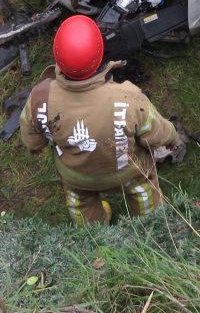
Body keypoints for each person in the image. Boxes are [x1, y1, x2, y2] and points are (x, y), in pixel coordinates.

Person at [19, 15, 183, 225]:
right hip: (127, 171)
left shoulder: (40, 98)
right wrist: (172, 137)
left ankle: (94, 230)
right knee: (144, 188)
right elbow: (155, 131)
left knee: (80, 204)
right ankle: (150, 223)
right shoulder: (128, 98)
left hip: (77, 176)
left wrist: (36, 147)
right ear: (100, 54)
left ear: (57, 56)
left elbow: (32, 138)